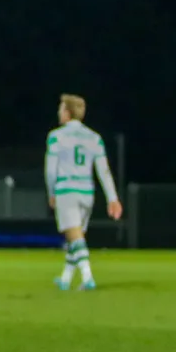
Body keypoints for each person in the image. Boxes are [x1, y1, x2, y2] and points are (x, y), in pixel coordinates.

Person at [46, 94, 122, 290]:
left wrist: (51, 192)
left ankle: (88, 277)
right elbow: (103, 171)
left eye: (61, 108)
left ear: (67, 113)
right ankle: (65, 279)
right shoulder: (94, 138)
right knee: (75, 237)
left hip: (67, 191)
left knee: (76, 238)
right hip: (87, 193)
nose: (58, 112)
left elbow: (50, 170)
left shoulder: (56, 136)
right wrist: (112, 198)